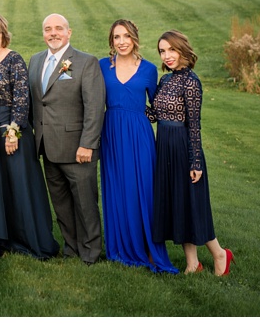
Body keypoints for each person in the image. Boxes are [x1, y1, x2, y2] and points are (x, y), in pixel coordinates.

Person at [0, 13, 58, 259]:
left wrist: (13, 131)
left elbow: (21, 98)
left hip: (7, 131)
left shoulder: (13, 59)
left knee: (15, 186)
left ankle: (25, 239)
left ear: (4, 35)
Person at [27, 14, 106, 264]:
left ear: (69, 32)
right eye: (48, 29)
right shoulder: (36, 60)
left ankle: (91, 252)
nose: (53, 33)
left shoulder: (85, 62)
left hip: (76, 148)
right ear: (43, 34)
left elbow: (94, 107)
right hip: (47, 146)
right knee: (60, 203)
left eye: (58, 28)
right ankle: (71, 247)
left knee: (85, 204)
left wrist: (88, 144)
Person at [99, 20, 178, 273]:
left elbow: (157, 108)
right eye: (116, 37)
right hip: (111, 133)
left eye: (126, 36)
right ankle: (121, 247)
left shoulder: (148, 69)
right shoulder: (102, 66)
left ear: (134, 38)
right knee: (117, 190)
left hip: (140, 135)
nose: (121, 41)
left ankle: (150, 250)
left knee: (144, 191)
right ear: (111, 41)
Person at [152, 31, 233, 276]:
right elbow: (156, 115)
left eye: (171, 50)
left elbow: (195, 125)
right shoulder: (165, 81)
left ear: (182, 50)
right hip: (163, 145)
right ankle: (192, 264)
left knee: (193, 206)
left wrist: (195, 160)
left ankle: (220, 254)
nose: (167, 56)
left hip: (183, 147)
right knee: (178, 205)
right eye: (162, 51)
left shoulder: (191, 81)